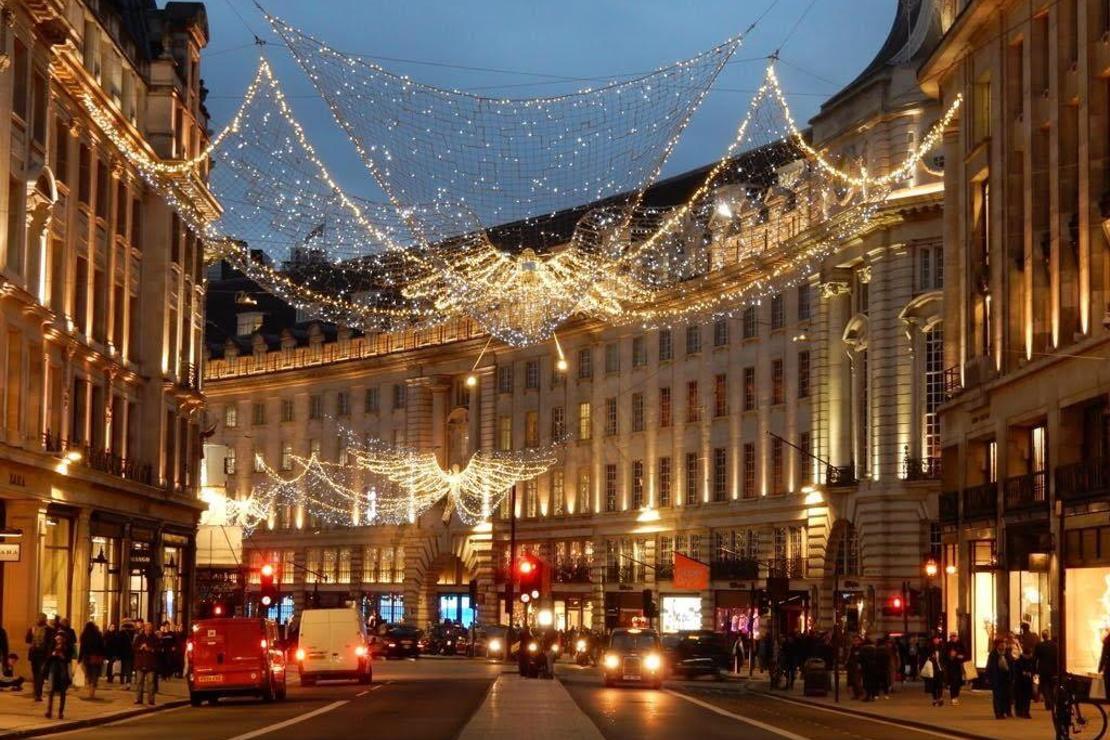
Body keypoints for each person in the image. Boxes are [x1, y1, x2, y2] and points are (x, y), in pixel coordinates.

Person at [44, 628, 74, 719]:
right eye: (57, 639)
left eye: (61, 639)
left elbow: (69, 659)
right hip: (53, 669)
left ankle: (60, 712)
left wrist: (62, 656)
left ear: (64, 639)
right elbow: (48, 657)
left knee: (62, 692)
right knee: (51, 690)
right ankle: (49, 710)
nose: (59, 640)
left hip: (62, 670)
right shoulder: (52, 646)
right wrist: (53, 654)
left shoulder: (68, 647)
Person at [25, 612, 54, 702]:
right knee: (38, 674)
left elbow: (27, 640)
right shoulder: (48, 629)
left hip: (38, 654)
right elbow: (28, 639)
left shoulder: (35, 629)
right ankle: (37, 693)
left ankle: (37, 693)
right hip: (39, 654)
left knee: (38, 674)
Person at [985, 638, 1014, 719]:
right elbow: (989, 666)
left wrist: (1013, 676)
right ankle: (998, 713)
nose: (1003, 645)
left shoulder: (1008, 654)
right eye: (1001, 644)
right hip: (997, 678)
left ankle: (1006, 711)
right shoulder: (993, 654)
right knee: (997, 696)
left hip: (1007, 678)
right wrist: (987, 677)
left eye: (1004, 644)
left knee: (1007, 695)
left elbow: (1012, 666)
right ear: (997, 645)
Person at [133, 622, 160, 706]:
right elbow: (134, 648)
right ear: (144, 628)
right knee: (139, 682)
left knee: (151, 683)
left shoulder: (154, 638)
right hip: (140, 663)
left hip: (150, 664)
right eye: (147, 629)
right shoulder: (139, 637)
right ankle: (138, 699)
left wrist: (150, 649)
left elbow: (158, 649)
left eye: (150, 629)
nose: (149, 630)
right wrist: (140, 648)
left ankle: (151, 700)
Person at [78, 621, 107, 699]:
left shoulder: (84, 635)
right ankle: (92, 691)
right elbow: (102, 646)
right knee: (95, 674)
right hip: (96, 657)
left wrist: (79, 658)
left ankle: (90, 688)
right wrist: (103, 656)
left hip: (87, 657)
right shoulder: (98, 635)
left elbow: (82, 648)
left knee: (89, 673)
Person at [1033, 630, 1058, 711]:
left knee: (1044, 686)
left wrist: (1035, 669)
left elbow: (1035, 658)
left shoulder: (1039, 645)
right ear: (1048, 635)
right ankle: (1051, 701)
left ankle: (1048, 702)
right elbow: (1057, 658)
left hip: (1042, 669)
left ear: (1042, 636)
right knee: (1051, 686)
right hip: (1053, 669)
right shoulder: (1054, 645)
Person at [943, 632, 967, 705]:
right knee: (953, 682)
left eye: (954, 636)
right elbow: (944, 655)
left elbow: (965, 653)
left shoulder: (960, 644)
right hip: (951, 666)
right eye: (952, 636)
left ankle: (956, 697)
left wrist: (961, 656)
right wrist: (950, 656)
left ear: (957, 637)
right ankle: (953, 698)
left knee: (958, 683)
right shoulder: (947, 645)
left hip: (959, 666)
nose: (953, 638)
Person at [1013, 645, 1035, 719]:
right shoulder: (1019, 661)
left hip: (1027, 682)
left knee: (1026, 698)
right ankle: (1021, 711)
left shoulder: (1030, 661)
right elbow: (1016, 672)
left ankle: (1024, 711)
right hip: (1021, 682)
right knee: (1021, 697)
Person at [922, 636, 944, 706]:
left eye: (937, 639)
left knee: (940, 684)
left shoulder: (942, 647)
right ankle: (934, 699)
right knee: (934, 685)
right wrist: (931, 657)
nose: (936, 640)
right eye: (935, 639)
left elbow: (944, 657)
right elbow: (924, 657)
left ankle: (940, 698)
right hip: (932, 669)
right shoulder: (929, 648)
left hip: (940, 668)